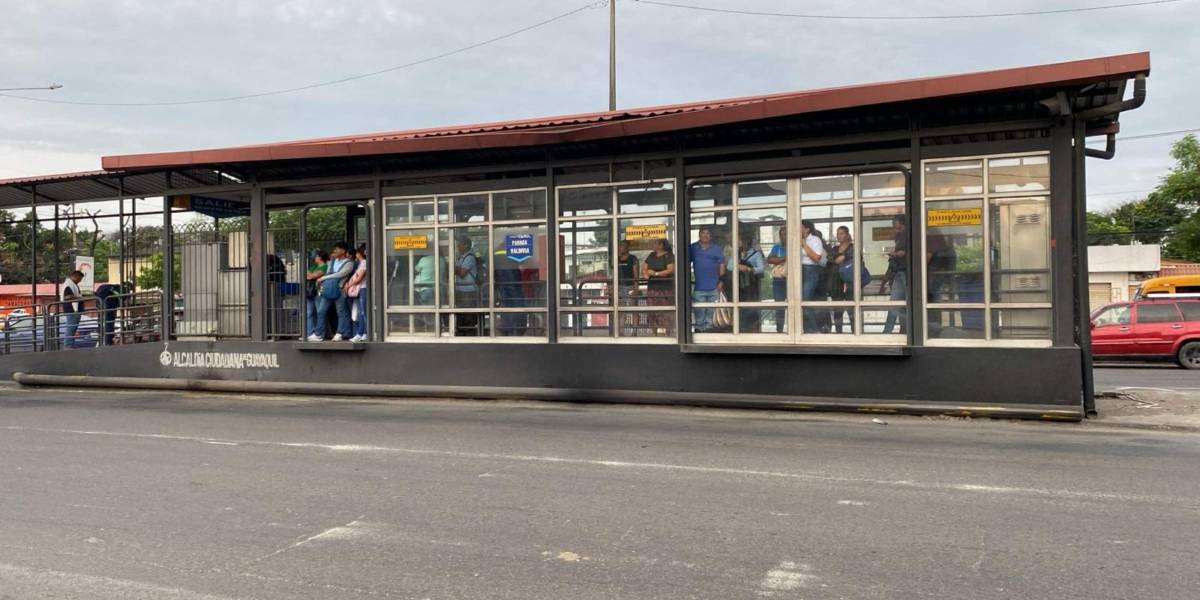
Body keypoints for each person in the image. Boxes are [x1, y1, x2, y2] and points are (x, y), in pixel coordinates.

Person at [311, 242, 354, 342]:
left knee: (341, 312)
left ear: (343, 251)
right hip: (328, 290)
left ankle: (340, 333)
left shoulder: (349, 263)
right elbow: (329, 272)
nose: (335, 251)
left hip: (339, 290)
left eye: (337, 249)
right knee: (321, 311)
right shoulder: (332, 262)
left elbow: (340, 274)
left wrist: (323, 278)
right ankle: (318, 334)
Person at [688, 225, 726, 333]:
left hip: (714, 286)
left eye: (708, 233)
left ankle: (708, 332)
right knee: (699, 312)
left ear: (711, 236)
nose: (705, 235)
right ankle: (699, 331)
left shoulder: (716, 248)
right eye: (703, 233)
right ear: (699, 234)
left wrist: (721, 280)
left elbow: (722, 265)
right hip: (699, 287)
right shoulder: (693, 248)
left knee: (711, 313)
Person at [799, 220, 828, 333]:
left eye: (800, 227)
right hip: (799, 270)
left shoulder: (815, 240)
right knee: (798, 300)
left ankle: (814, 329)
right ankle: (806, 329)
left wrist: (803, 244)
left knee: (805, 300)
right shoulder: (795, 239)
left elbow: (816, 258)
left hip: (810, 270)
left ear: (807, 229)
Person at [642, 238, 675, 335]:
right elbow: (644, 268)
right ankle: (654, 333)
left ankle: (668, 332)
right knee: (652, 311)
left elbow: (671, 270)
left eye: (654, 243)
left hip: (665, 288)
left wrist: (656, 273)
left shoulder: (668, 256)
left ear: (661, 245)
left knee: (665, 311)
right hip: (652, 287)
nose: (652, 245)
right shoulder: (651, 255)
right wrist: (646, 274)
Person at [881, 215, 908, 334]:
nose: (894, 226)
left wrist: (903, 253)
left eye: (896, 224)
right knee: (894, 303)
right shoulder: (899, 237)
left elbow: (916, 249)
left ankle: (907, 330)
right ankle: (887, 331)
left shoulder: (911, 234)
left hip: (908, 272)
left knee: (906, 303)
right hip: (899, 271)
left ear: (903, 224)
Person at [828, 226, 857, 334]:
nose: (838, 236)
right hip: (836, 281)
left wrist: (844, 256)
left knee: (852, 308)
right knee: (838, 309)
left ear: (847, 234)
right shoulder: (835, 249)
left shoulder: (852, 247)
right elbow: (830, 259)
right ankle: (839, 332)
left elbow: (857, 258)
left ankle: (855, 331)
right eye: (837, 233)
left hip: (850, 280)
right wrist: (837, 259)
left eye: (841, 233)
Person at [737, 231, 765, 333]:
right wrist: (738, 266)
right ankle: (742, 326)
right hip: (739, 284)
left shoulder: (756, 254)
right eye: (742, 241)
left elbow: (761, 269)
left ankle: (751, 327)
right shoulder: (737, 253)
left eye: (746, 242)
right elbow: (729, 266)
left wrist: (749, 269)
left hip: (751, 284)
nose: (744, 244)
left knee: (750, 305)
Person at [453, 235, 481, 335]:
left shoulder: (469, 257)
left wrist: (454, 268)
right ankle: (461, 331)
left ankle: (469, 331)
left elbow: (462, 273)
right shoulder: (461, 257)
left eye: (459, 244)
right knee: (461, 313)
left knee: (468, 313)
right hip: (460, 289)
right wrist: (456, 268)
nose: (457, 246)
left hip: (468, 290)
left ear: (466, 245)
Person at [93, 281, 130, 346]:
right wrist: (123, 305)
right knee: (109, 322)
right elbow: (120, 298)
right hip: (108, 304)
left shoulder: (112, 287)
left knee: (101, 321)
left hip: (101, 301)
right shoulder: (123, 290)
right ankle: (108, 341)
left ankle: (102, 340)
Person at [345, 244, 369, 342]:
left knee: (363, 312)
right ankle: (361, 333)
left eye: (357, 253)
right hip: (361, 289)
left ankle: (364, 333)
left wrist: (350, 285)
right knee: (361, 312)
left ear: (360, 253)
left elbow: (359, 278)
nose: (356, 255)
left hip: (363, 288)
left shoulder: (364, 262)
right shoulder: (362, 263)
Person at [766, 225, 788, 332]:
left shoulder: (797, 245)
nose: (785, 236)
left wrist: (779, 260)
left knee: (796, 305)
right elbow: (769, 260)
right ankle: (779, 329)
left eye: (787, 233)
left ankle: (796, 329)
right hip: (779, 280)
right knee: (779, 306)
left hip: (794, 280)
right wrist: (785, 258)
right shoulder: (777, 247)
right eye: (783, 234)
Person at [304, 250, 329, 340]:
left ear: (320, 257)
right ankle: (310, 333)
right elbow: (308, 275)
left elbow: (310, 276)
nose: (314, 258)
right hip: (310, 292)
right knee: (309, 313)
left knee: (320, 312)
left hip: (318, 291)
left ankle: (321, 333)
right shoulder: (314, 266)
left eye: (316, 256)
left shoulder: (325, 266)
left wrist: (311, 274)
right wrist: (312, 275)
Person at [59, 270, 84, 349]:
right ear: (76, 276)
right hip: (72, 309)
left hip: (74, 310)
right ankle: (68, 345)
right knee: (71, 328)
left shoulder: (72, 284)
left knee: (73, 328)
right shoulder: (69, 285)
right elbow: (67, 297)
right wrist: (79, 297)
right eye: (80, 279)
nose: (80, 281)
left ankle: (70, 344)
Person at [616, 240, 640, 305]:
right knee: (621, 309)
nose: (620, 248)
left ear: (627, 248)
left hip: (630, 286)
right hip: (619, 287)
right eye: (619, 246)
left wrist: (636, 289)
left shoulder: (633, 258)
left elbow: (636, 275)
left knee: (633, 309)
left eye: (622, 246)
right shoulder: (616, 259)